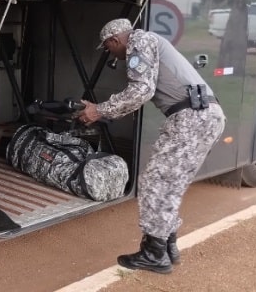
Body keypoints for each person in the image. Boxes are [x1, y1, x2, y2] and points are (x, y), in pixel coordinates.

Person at [76, 18, 226, 274]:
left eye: (109, 49)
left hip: (191, 119)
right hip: (207, 117)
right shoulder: (152, 41)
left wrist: (98, 110)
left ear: (115, 40)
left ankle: (154, 253)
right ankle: (167, 245)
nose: (112, 55)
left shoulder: (139, 41)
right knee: (170, 183)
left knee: (154, 182)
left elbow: (140, 91)